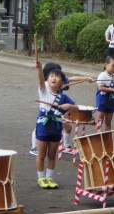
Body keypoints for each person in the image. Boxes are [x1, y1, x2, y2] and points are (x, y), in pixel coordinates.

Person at [29, 62, 94, 155]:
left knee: (67, 127)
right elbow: (41, 79)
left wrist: (85, 78)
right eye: (54, 75)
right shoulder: (46, 84)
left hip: (58, 111)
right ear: (48, 74)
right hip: (47, 112)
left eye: (59, 75)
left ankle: (65, 146)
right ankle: (34, 147)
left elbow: (70, 79)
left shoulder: (58, 81)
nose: (56, 77)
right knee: (40, 127)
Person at [34, 59, 77, 189]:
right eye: (51, 76)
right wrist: (39, 68)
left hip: (57, 126)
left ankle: (50, 178)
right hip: (43, 125)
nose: (53, 78)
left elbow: (76, 107)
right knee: (41, 154)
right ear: (47, 80)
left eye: (57, 77)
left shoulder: (63, 97)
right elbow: (40, 79)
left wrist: (69, 106)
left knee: (52, 154)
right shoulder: (43, 91)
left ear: (62, 83)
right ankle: (41, 178)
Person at [97, 56, 114, 131]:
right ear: (105, 65)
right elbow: (100, 88)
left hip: (111, 101)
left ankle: (108, 139)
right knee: (100, 120)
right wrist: (112, 89)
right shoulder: (102, 75)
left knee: (108, 121)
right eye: (113, 66)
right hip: (102, 100)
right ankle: (98, 137)